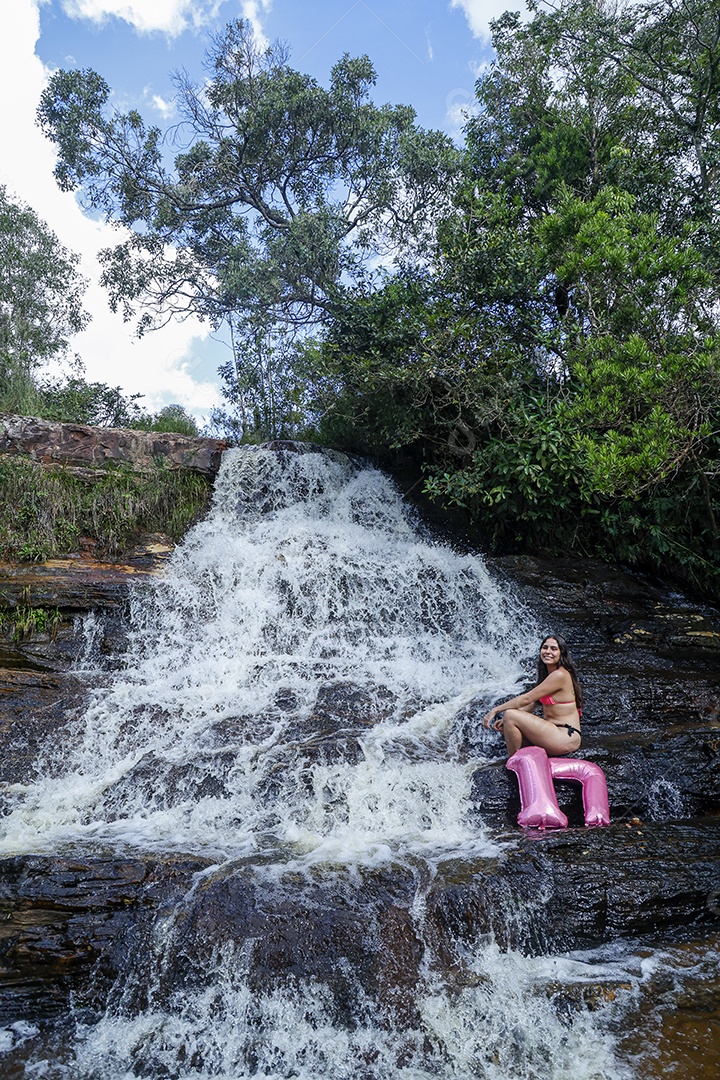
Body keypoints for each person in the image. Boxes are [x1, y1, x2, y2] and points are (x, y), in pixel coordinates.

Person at [482, 635, 583, 757]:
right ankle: (519, 761)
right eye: (545, 648)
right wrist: (506, 721)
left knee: (510, 714)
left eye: (554, 649)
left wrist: (495, 710)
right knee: (510, 720)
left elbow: (526, 698)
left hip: (564, 735)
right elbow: (531, 704)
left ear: (562, 653)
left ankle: (512, 763)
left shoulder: (560, 675)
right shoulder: (548, 676)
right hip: (554, 733)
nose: (548, 652)